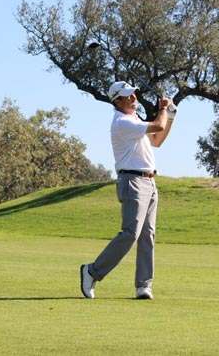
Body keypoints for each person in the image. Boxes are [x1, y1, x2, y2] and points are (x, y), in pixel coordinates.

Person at [81, 81, 177, 299]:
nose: (134, 98)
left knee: (147, 235)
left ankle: (144, 285)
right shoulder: (122, 122)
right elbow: (158, 126)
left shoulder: (134, 121)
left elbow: (157, 140)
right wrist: (162, 109)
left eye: (134, 94)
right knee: (130, 233)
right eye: (129, 96)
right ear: (117, 101)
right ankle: (92, 271)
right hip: (132, 181)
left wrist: (170, 117)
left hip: (149, 181)